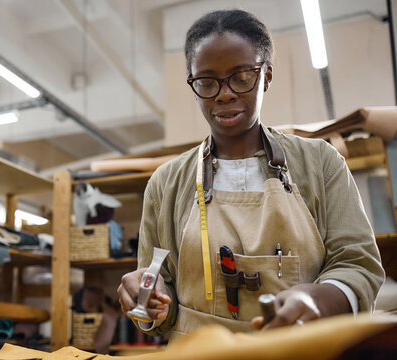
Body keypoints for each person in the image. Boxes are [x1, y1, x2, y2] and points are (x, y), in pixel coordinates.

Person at [117, 9, 384, 339]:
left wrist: (321, 299)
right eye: (207, 81)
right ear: (193, 83)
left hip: (301, 349)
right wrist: (147, 298)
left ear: (266, 76)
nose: (225, 93)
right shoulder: (166, 183)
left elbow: (357, 263)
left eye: (242, 76)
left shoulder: (320, 163)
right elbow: (161, 302)